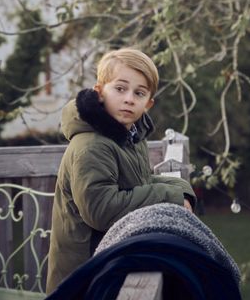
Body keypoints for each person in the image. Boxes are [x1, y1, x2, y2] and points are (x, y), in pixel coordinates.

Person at [46, 48, 197, 293]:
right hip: (84, 278)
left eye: (139, 93)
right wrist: (170, 197)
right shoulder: (92, 145)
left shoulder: (129, 136)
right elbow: (101, 210)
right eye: (120, 88)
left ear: (148, 103)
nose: (129, 98)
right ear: (100, 92)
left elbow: (140, 183)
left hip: (111, 261)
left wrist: (181, 191)